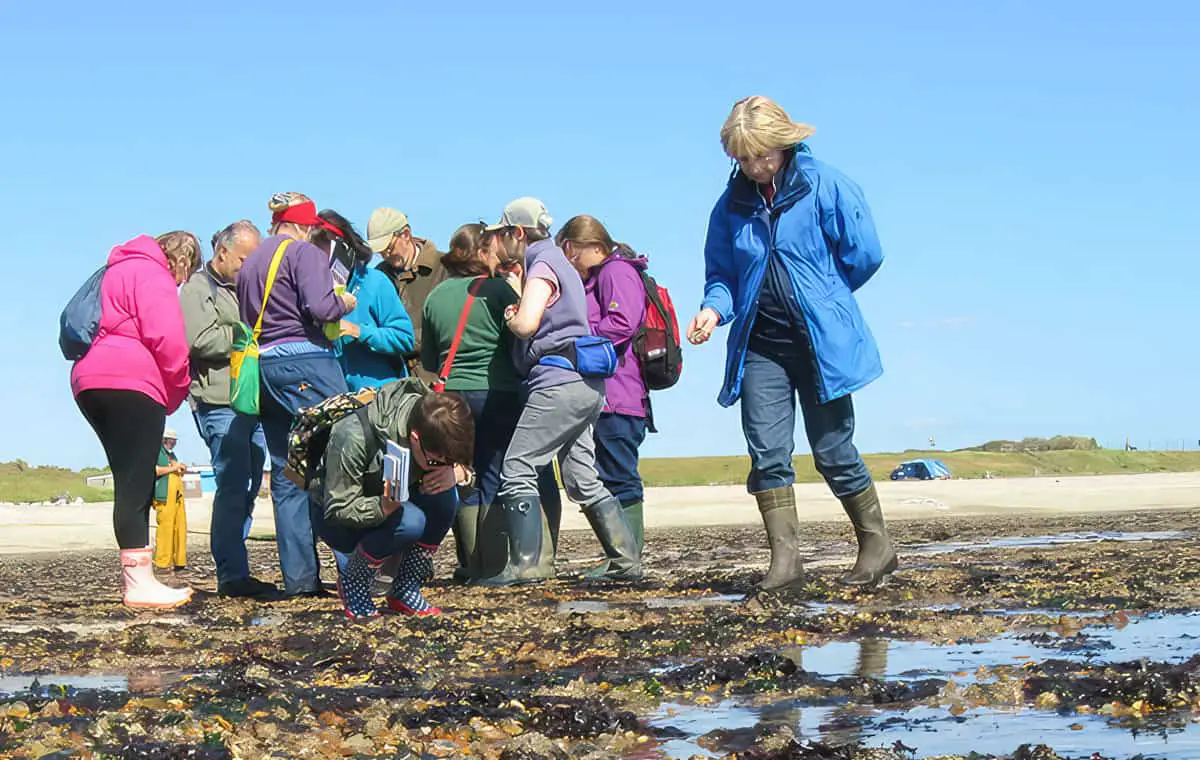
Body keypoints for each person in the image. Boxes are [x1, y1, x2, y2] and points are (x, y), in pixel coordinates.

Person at [688, 95, 896, 591]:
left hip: (821, 343)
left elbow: (865, 254)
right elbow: (722, 273)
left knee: (832, 450)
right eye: (742, 158)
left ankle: (877, 545)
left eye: (761, 154)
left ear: (784, 143)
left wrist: (826, 296)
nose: (754, 166)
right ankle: (786, 564)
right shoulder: (730, 205)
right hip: (759, 345)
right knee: (767, 454)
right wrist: (713, 309)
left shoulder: (826, 184)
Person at [479, 198, 641, 585]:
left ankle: (526, 566)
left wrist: (513, 316)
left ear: (517, 233)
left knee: (517, 467)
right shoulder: (563, 264)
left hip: (556, 383)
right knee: (582, 477)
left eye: (502, 234)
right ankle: (626, 560)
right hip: (588, 384)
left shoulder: (542, 264)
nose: (499, 242)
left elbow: (527, 324)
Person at [420, 223, 563, 583]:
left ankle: (474, 563)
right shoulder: (500, 290)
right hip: (496, 391)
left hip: (451, 395)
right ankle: (499, 564)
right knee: (497, 473)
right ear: (482, 254)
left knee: (464, 477)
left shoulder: (435, 297)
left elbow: (429, 360)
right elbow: (520, 339)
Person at [237, 192, 357, 598]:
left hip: (266, 368)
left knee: (288, 473)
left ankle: (300, 581)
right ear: (307, 227)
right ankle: (352, 575)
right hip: (307, 363)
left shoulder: (251, 260)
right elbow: (321, 309)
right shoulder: (304, 255)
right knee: (340, 460)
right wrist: (344, 301)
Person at [70, 231, 196, 609]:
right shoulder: (152, 273)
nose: (181, 282)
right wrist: (178, 389)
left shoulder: (113, 270)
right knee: (136, 484)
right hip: (130, 380)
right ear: (181, 260)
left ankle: (138, 579)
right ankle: (139, 584)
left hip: (88, 379)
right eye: (185, 274)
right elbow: (168, 339)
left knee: (128, 479)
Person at [318, 379, 475, 619]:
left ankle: (405, 587)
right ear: (414, 438)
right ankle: (354, 580)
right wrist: (383, 506)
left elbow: (464, 473)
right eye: (435, 461)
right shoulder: (354, 434)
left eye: (449, 461)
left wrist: (459, 473)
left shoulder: (437, 426)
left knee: (446, 498)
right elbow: (337, 509)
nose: (440, 467)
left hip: (398, 505)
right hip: (340, 517)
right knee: (410, 521)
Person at [179, 219, 277, 600]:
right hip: (218, 403)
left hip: (249, 402)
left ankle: (237, 570)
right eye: (244, 259)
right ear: (223, 252)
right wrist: (247, 332)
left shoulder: (243, 286)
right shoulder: (197, 289)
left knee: (250, 486)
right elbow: (199, 340)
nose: (249, 267)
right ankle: (232, 575)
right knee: (234, 486)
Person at [556, 216, 651, 577]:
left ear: (590, 245)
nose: (570, 262)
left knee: (619, 475)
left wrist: (576, 335)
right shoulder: (607, 273)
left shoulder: (615, 271)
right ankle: (623, 556)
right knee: (611, 473)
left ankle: (628, 558)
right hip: (615, 394)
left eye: (571, 252)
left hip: (620, 394)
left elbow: (623, 323)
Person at [314, 210, 414, 392]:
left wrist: (358, 331)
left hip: (381, 401)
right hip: (340, 402)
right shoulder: (316, 292)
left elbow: (404, 338)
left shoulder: (375, 282)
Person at [367, 208, 448, 385]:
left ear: (405, 234)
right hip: (394, 380)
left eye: (388, 247)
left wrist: (405, 339)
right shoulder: (379, 275)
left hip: (437, 378)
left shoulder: (446, 268)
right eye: (380, 251)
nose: (385, 255)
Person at [152, 429, 188, 572]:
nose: (173, 443)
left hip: (177, 495)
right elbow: (155, 470)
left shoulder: (171, 455)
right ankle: (162, 562)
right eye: (171, 440)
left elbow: (173, 469)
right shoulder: (156, 452)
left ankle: (179, 561)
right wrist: (174, 468)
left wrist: (180, 469)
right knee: (165, 529)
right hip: (164, 495)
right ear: (165, 440)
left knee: (180, 527)